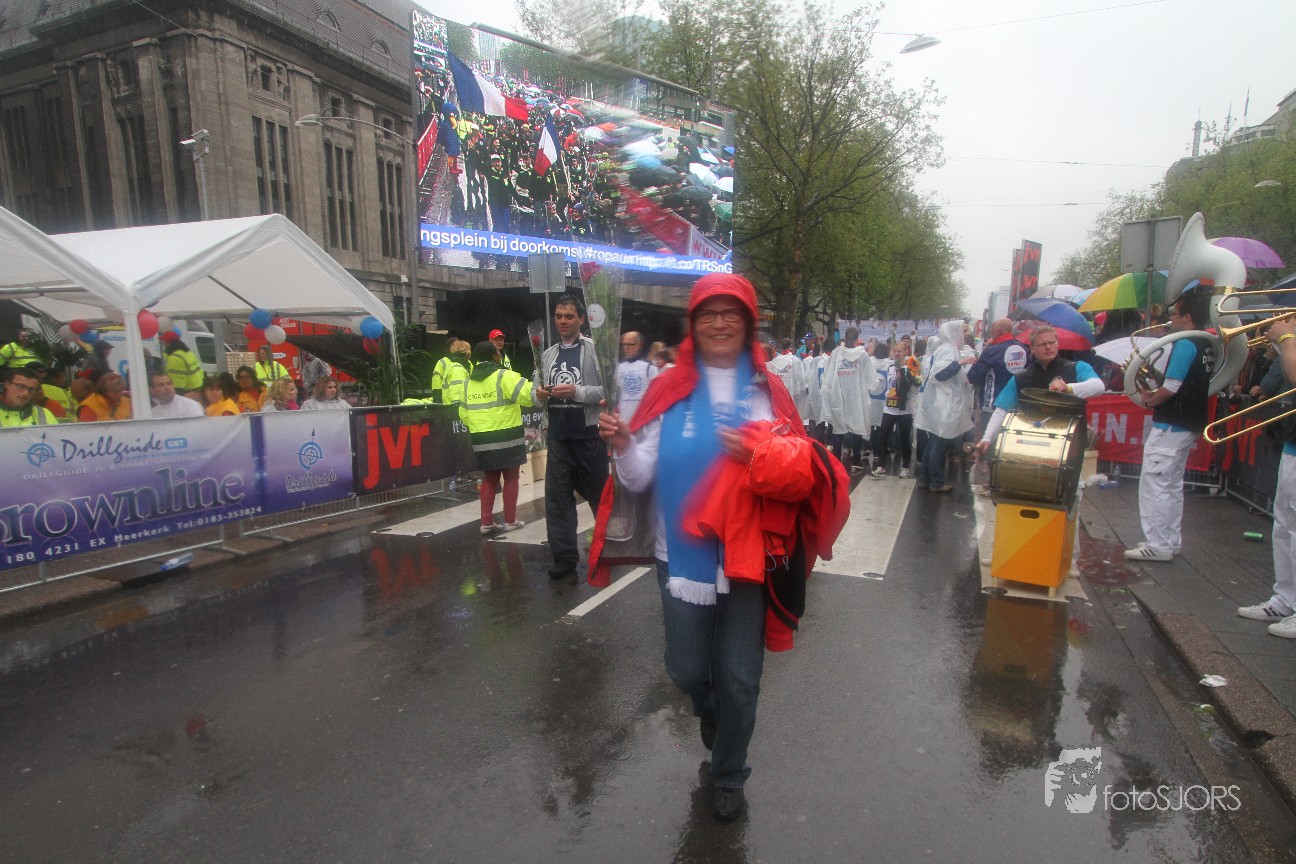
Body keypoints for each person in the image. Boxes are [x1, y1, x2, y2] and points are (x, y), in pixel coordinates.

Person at [594, 273, 849, 822]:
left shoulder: (768, 392)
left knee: (740, 678)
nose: (719, 323)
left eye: (731, 313)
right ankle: (711, 712)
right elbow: (638, 479)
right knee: (687, 670)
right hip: (678, 557)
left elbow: (800, 475)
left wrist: (763, 457)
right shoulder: (668, 388)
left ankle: (729, 771)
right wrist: (623, 446)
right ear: (694, 323)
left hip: (748, 560)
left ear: (748, 324)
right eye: (708, 313)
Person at [1124, 292, 1214, 562]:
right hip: (1189, 421)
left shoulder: (1185, 343)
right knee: (1172, 484)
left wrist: (1151, 399)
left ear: (1187, 317)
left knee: (1155, 483)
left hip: (1172, 423)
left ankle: (1158, 544)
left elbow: (1173, 386)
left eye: (1174, 314)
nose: (1170, 318)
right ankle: (1170, 540)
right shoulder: (1205, 343)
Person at [534, 295, 606, 580]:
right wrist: (538, 394)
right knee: (558, 499)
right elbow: (535, 391)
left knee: (599, 496)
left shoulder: (594, 350)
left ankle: (608, 548)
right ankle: (564, 557)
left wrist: (578, 392)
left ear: (581, 320)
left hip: (589, 435)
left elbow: (608, 389)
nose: (562, 321)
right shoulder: (547, 354)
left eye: (568, 316)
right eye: (558, 316)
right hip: (559, 437)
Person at [1238, 315, 1296, 637]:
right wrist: (1280, 346)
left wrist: (1286, 338)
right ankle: (1285, 599)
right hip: (1292, 442)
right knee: (1283, 526)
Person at [975, 324, 1106, 458]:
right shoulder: (1020, 378)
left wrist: (1068, 388)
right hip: (1031, 446)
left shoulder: (1077, 367)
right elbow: (1001, 410)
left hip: (1069, 447)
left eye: (1052, 342)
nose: (1048, 347)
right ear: (1032, 348)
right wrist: (987, 438)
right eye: (1042, 344)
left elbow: (1099, 386)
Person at [459, 341, 533, 534]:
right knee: (511, 477)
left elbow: (463, 414)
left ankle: (486, 523)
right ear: (495, 356)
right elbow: (527, 396)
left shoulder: (467, 382)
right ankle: (510, 521)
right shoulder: (504, 375)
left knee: (490, 479)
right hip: (508, 434)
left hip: (481, 438)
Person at [914, 321, 974, 492]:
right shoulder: (948, 349)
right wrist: (960, 363)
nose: (966, 334)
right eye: (963, 331)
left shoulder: (946, 349)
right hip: (942, 404)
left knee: (934, 441)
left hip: (940, 402)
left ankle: (925, 478)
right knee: (938, 443)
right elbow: (939, 375)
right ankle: (936, 481)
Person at [820, 327, 876, 471]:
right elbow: (871, 379)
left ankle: (837, 460)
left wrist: (827, 390)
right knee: (855, 427)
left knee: (838, 428)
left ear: (845, 337)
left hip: (838, 396)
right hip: (856, 397)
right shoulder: (862, 355)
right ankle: (855, 460)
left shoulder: (837, 353)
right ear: (857, 339)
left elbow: (828, 373)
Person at [968, 317, 1029, 438]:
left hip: (993, 406)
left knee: (989, 441)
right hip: (1017, 406)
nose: (991, 334)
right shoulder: (1024, 349)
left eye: (992, 331)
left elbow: (973, 376)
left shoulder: (992, 351)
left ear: (998, 331)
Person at [872, 343, 921, 478]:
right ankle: (881, 466)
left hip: (905, 410)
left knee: (904, 439)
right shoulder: (891, 367)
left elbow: (915, 388)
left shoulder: (911, 368)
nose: (897, 354)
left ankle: (905, 467)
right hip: (889, 408)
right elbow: (889, 385)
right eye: (895, 351)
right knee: (883, 437)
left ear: (906, 352)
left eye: (900, 351)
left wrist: (905, 378)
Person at [615, 330, 658, 425]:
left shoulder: (649, 368)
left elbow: (657, 396)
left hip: (644, 422)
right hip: (623, 420)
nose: (626, 348)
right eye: (624, 344)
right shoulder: (618, 368)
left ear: (640, 345)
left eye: (630, 344)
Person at [766, 338, 809, 424]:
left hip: (778, 399)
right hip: (793, 398)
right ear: (791, 346)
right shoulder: (795, 361)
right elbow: (802, 382)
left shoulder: (773, 362)